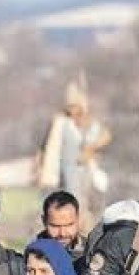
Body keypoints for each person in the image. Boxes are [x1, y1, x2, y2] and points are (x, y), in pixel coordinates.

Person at [39, 81, 112, 223]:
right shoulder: (61, 122)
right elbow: (49, 145)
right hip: (67, 168)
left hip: (87, 169)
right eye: (69, 106)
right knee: (72, 200)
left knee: (88, 202)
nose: (72, 110)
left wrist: (91, 148)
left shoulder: (90, 121)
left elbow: (105, 136)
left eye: (74, 106)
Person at [37, 191, 88, 269]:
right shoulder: (33, 255)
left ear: (78, 219)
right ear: (44, 221)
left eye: (69, 225)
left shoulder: (92, 253)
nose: (62, 233)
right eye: (55, 226)